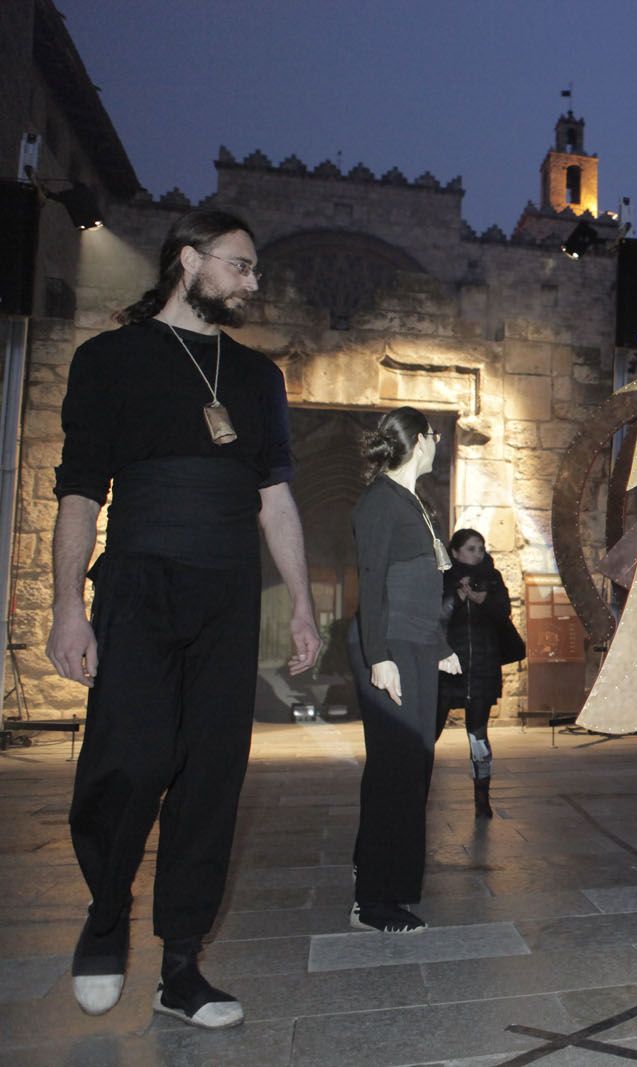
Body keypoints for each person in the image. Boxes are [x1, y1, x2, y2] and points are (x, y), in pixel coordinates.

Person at [46, 209, 321, 1028]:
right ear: (188, 261)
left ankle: (180, 966)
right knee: (128, 763)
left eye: (255, 270)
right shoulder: (110, 360)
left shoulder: (258, 378)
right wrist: (68, 605)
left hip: (229, 596)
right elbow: (79, 491)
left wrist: (302, 603)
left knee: (211, 781)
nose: (252, 282)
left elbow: (277, 502)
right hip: (138, 585)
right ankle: (105, 914)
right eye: (241, 266)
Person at [348, 407, 460, 933]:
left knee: (409, 769)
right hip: (390, 645)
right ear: (419, 441)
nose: (437, 443)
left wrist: (438, 645)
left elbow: (423, 584)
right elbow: (371, 583)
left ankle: (377, 875)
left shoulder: (416, 502)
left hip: (416, 646)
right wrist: (379, 657)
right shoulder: (380, 502)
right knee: (398, 770)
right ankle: (375, 901)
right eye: (433, 435)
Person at [436, 528, 513, 819]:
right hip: (449, 665)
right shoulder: (444, 576)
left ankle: (482, 798)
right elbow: (437, 616)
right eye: (471, 548)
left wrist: (482, 599)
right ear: (455, 552)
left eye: (480, 548)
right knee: (430, 730)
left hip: (482, 666)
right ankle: (416, 790)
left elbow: (503, 611)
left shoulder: (492, 577)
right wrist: (457, 596)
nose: (477, 554)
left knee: (478, 734)